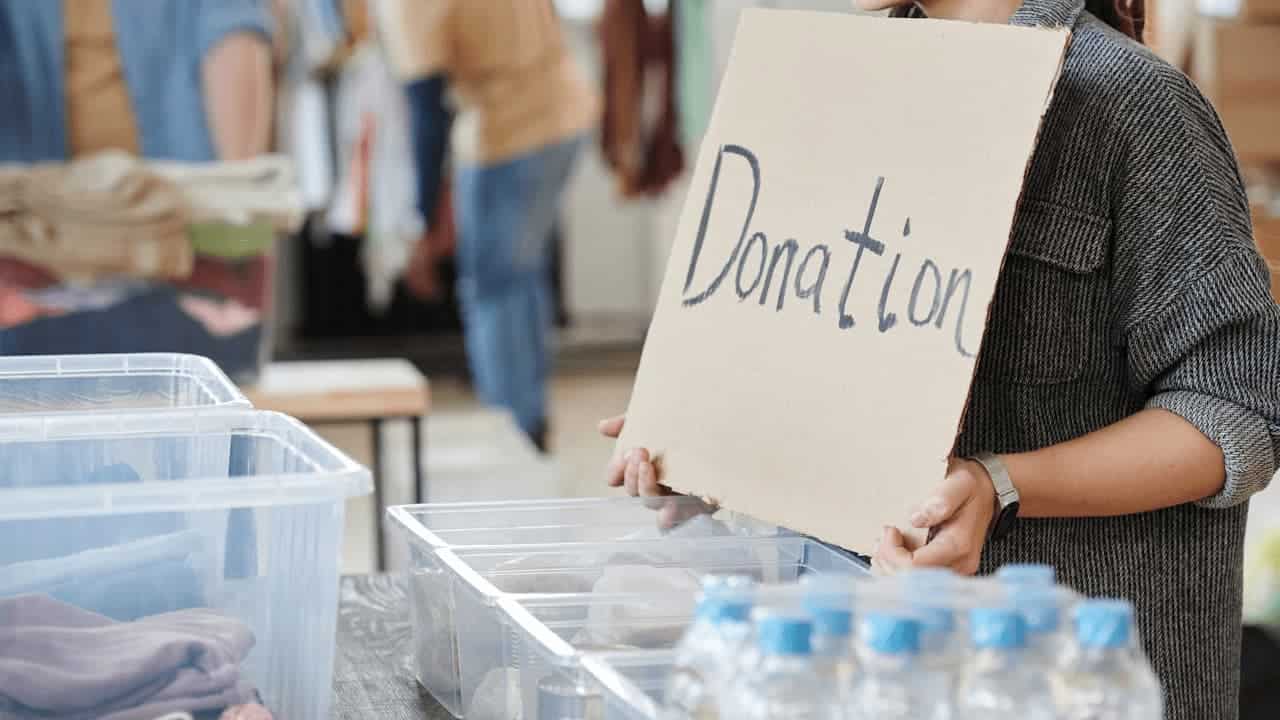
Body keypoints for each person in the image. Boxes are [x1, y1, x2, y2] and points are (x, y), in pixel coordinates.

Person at [601, 0, 1280, 717]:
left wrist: (1002, 484)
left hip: (1072, 685)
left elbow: (1236, 413)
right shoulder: (840, 81)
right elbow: (825, 362)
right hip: (884, 675)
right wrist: (716, 448)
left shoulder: (1135, 106)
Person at [378, 0, 599, 451]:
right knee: (522, 278)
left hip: (507, 128)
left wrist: (423, 219)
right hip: (565, 108)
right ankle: (530, 420)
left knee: (493, 290)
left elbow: (427, 108)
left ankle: (510, 432)